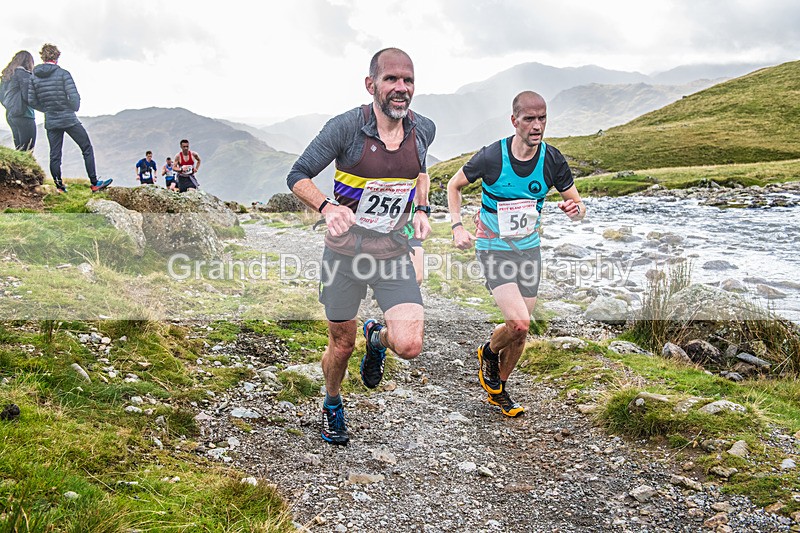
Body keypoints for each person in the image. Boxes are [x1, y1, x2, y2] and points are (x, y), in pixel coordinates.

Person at [287, 48, 435, 445]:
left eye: (408, 80)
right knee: (341, 343)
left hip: (392, 251)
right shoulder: (346, 128)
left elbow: (421, 171)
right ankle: (332, 402)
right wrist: (327, 206)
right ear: (371, 85)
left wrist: (421, 208)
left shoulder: (424, 129)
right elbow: (297, 174)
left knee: (409, 344)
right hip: (345, 254)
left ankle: (379, 339)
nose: (400, 88)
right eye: (391, 79)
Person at [447, 91, 586, 417]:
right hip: (493, 248)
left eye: (542, 118)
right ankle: (488, 352)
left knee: (521, 334)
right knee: (519, 322)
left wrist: (574, 209)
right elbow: (454, 185)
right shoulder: (492, 157)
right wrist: (456, 227)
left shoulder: (552, 160)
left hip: (528, 250)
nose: (537, 126)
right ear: (514, 121)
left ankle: (499, 390)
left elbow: (579, 206)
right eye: (529, 119)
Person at [27, 44, 111, 194]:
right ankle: (94, 183)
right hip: (68, 118)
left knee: (55, 154)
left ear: (43, 57)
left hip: (51, 120)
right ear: (56, 57)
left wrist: (46, 109)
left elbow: (31, 101)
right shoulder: (63, 74)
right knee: (86, 148)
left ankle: (59, 187)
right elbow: (74, 97)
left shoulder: (34, 77)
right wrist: (72, 107)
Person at [0, 51, 36, 151]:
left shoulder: (7, 76)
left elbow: (1, 96)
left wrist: (11, 107)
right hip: (25, 114)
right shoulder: (24, 74)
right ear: (28, 62)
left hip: (11, 115)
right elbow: (28, 96)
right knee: (28, 149)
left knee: (19, 148)